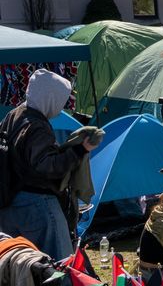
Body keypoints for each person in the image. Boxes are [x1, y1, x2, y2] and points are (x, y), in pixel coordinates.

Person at [0, 70, 96, 260]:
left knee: (23, 267)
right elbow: (46, 166)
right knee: (59, 266)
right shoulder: (36, 126)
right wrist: (80, 150)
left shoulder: (13, 115)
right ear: (50, 98)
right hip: (37, 207)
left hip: (9, 202)